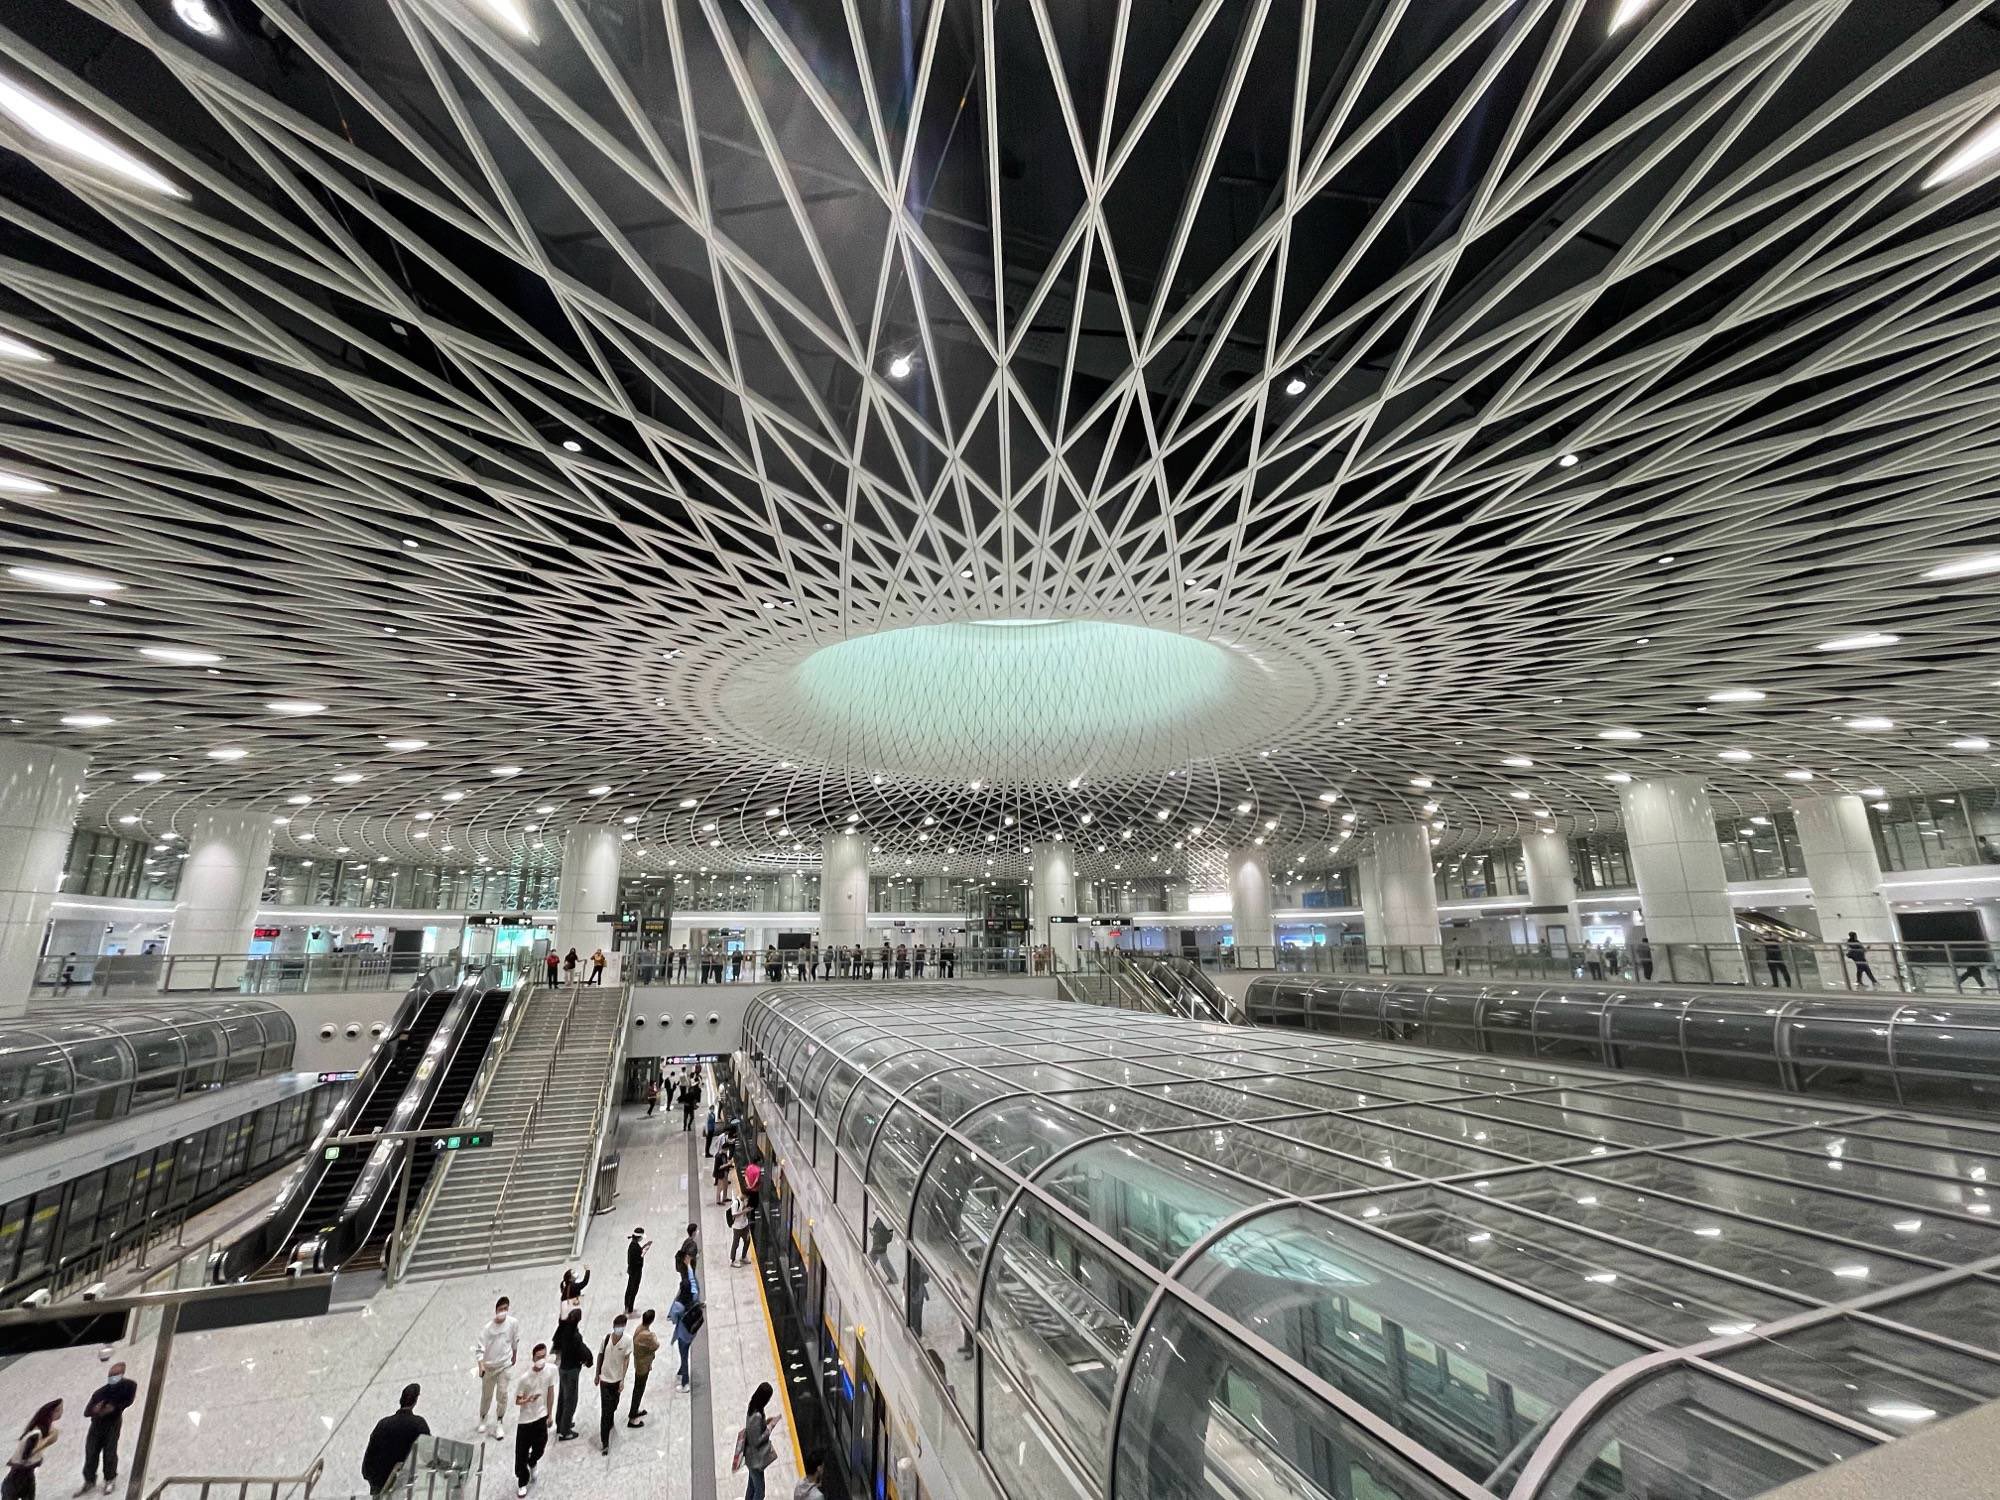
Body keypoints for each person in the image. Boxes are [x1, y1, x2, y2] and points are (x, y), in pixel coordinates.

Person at [78, 1362, 135, 1495]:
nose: (112, 1377)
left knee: (110, 1452)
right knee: (91, 1452)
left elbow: (128, 1401)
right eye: (110, 1375)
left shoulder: (129, 1386)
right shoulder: (100, 1393)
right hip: (96, 1425)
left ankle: (110, 1479)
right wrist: (95, 1410)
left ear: (122, 1375)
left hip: (112, 1424)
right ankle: (89, 1480)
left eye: (115, 1375)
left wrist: (113, 1407)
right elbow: (87, 1412)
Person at [359, 1386, 426, 1500]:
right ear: (415, 1401)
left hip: (380, 1483)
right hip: (403, 1485)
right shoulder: (418, 1424)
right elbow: (427, 1453)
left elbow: (370, 1454)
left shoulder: (383, 1424)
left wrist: (370, 1476)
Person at [511, 1345, 555, 1498]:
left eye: (543, 1356)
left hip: (541, 1416)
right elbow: (517, 1400)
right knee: (521, 1454)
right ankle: (522, 1482)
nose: (541, 1360)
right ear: (533, 1358)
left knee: (540, 1447)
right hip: (525, 1421)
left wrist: (550, 1414)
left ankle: (533, 1461)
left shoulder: (549, 1372)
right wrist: (528, 1400)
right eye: (538, 1357)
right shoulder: (525, 1378)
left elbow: (550, 1392)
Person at [476, 1296, 520, 1440]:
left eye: (505, 1309)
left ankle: (499, 1421)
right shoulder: (487, 1329)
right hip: (489, 1367)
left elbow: (514, 1340)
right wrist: (481, 1366)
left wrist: (514, 1355)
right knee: (487, 1395)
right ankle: (483, 1417)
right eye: (501, 1309)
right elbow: (479, 1349)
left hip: (505, 1365)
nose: (503, 1312)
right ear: (496, 1310)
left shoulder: (513, 1323)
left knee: (502, 1394)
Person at [734, 1383, 782, 1500]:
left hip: (751, 1457)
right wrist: (771, 1426)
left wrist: (765, 1424)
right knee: (760, 1492)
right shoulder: (757, 1415)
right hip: (755, 1459)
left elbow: (754, 1431)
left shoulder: (753, 1407)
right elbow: (757, 1440)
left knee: (752, 1486)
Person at [550, 1307, 591, 1441]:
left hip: (563, 1368)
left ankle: (560, 1423)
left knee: (562, 1396)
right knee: (571, 1400)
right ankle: (566, 1430)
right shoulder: (575, 1336)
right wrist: (588, 1360)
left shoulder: (563, 1330)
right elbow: (582, 1351)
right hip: (572, 1370)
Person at [594, 1314, 632, 1454]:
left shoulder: (627, 1340)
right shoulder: (606, 1339)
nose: (618, 1329)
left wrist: (622, 1379)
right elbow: (600, 1356)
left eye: (621, 1327)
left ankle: (610, 1420)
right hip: (605, 1379)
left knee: (614, 1405)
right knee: (605, 1411)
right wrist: (597, 1374)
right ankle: (605, 1442)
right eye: (616, 1326)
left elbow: (626, 1360)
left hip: (616, 1380)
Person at [668, 1270, 702, 1391]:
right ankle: (681, 1371)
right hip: (692, 1331)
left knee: (684, 1356)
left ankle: (685, 1383)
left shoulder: (678, 1305)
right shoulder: (694, 1295)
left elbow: (673, 1319)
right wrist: (689, 1268)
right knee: (685, 1351)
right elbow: (693, 1283)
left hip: (683, 1334)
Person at [626, 1310, 659, 1428]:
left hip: (639, 1362)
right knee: (639, 1389)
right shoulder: (648, 1335)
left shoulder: (639, 1328)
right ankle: (632, 1416)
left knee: (638, 1388)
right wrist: (654, 1335)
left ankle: (635, 1410)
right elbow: (656, 1345)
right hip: (643, 1365)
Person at [624, 1228, 652, 1313]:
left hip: (632, 1270)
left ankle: (627, 1305)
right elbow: (639, 1257)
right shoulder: (634, 1247)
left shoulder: (633, 1245)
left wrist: (644, 1247)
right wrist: (644, 1250)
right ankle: (629, 1307)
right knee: (633, 1289)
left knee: (630, 1288)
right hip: (636, 1271)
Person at [727, 1194, 752, 1267]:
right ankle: (732, 1260)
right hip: (737, 1227)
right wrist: (744, 1211)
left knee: (747, 1240)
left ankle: (743, 1256)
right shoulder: (736, 1203)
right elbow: (734, 1215)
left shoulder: (744, 1201)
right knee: (736, 1243)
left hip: (745, 1224)